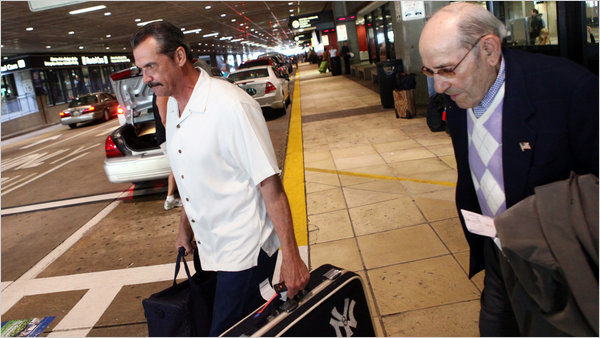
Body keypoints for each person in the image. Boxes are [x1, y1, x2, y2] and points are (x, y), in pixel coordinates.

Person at [419, 2, 598, 336]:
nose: (439, 86)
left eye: (446, 69)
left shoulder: (567, 89)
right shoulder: (461, 100)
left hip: (557, 264)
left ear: (489, 49)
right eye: (430, 72)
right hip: (499, 259)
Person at [132, 22, 310, 336]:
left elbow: (271, 188)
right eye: (141, 69)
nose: (145, 78)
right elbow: (192, 175)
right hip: (209, 249)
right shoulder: (173, 108)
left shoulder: (230, 106)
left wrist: (292, 258)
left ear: (179, 56)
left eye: (151, 66)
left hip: (245, 251)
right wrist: (184, 226)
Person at [152, 94, 183, 210]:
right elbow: (165, 120)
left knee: (176, 166)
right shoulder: (161, 95)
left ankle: (170, 198)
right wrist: (175, 136)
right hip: (167, 136)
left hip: (166, 136)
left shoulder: (161, 94)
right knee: (177, 166)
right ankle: (170, 198)